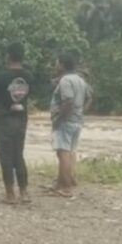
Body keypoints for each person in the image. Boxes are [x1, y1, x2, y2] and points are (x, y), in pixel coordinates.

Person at [0, 43, 33, 204]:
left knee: (6, 157)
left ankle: (10, 194)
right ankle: (24, 192)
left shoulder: (1, 77)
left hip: (4, 120)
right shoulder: (28, 76)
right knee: (18, 155)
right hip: (21, 120)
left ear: (8, 55)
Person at [48, 52, 92, 198]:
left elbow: (68, 101)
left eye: (56, 63)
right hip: (77, 121)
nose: (55, 66)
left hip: (66, 121)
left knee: (63, 152)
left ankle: (66, 188)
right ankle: (64, 183)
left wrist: (59, 119)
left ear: (62, 64)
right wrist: (80, 113)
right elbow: (89, 98)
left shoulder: (66, 80)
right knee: (70, 151)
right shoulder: (80, 80)